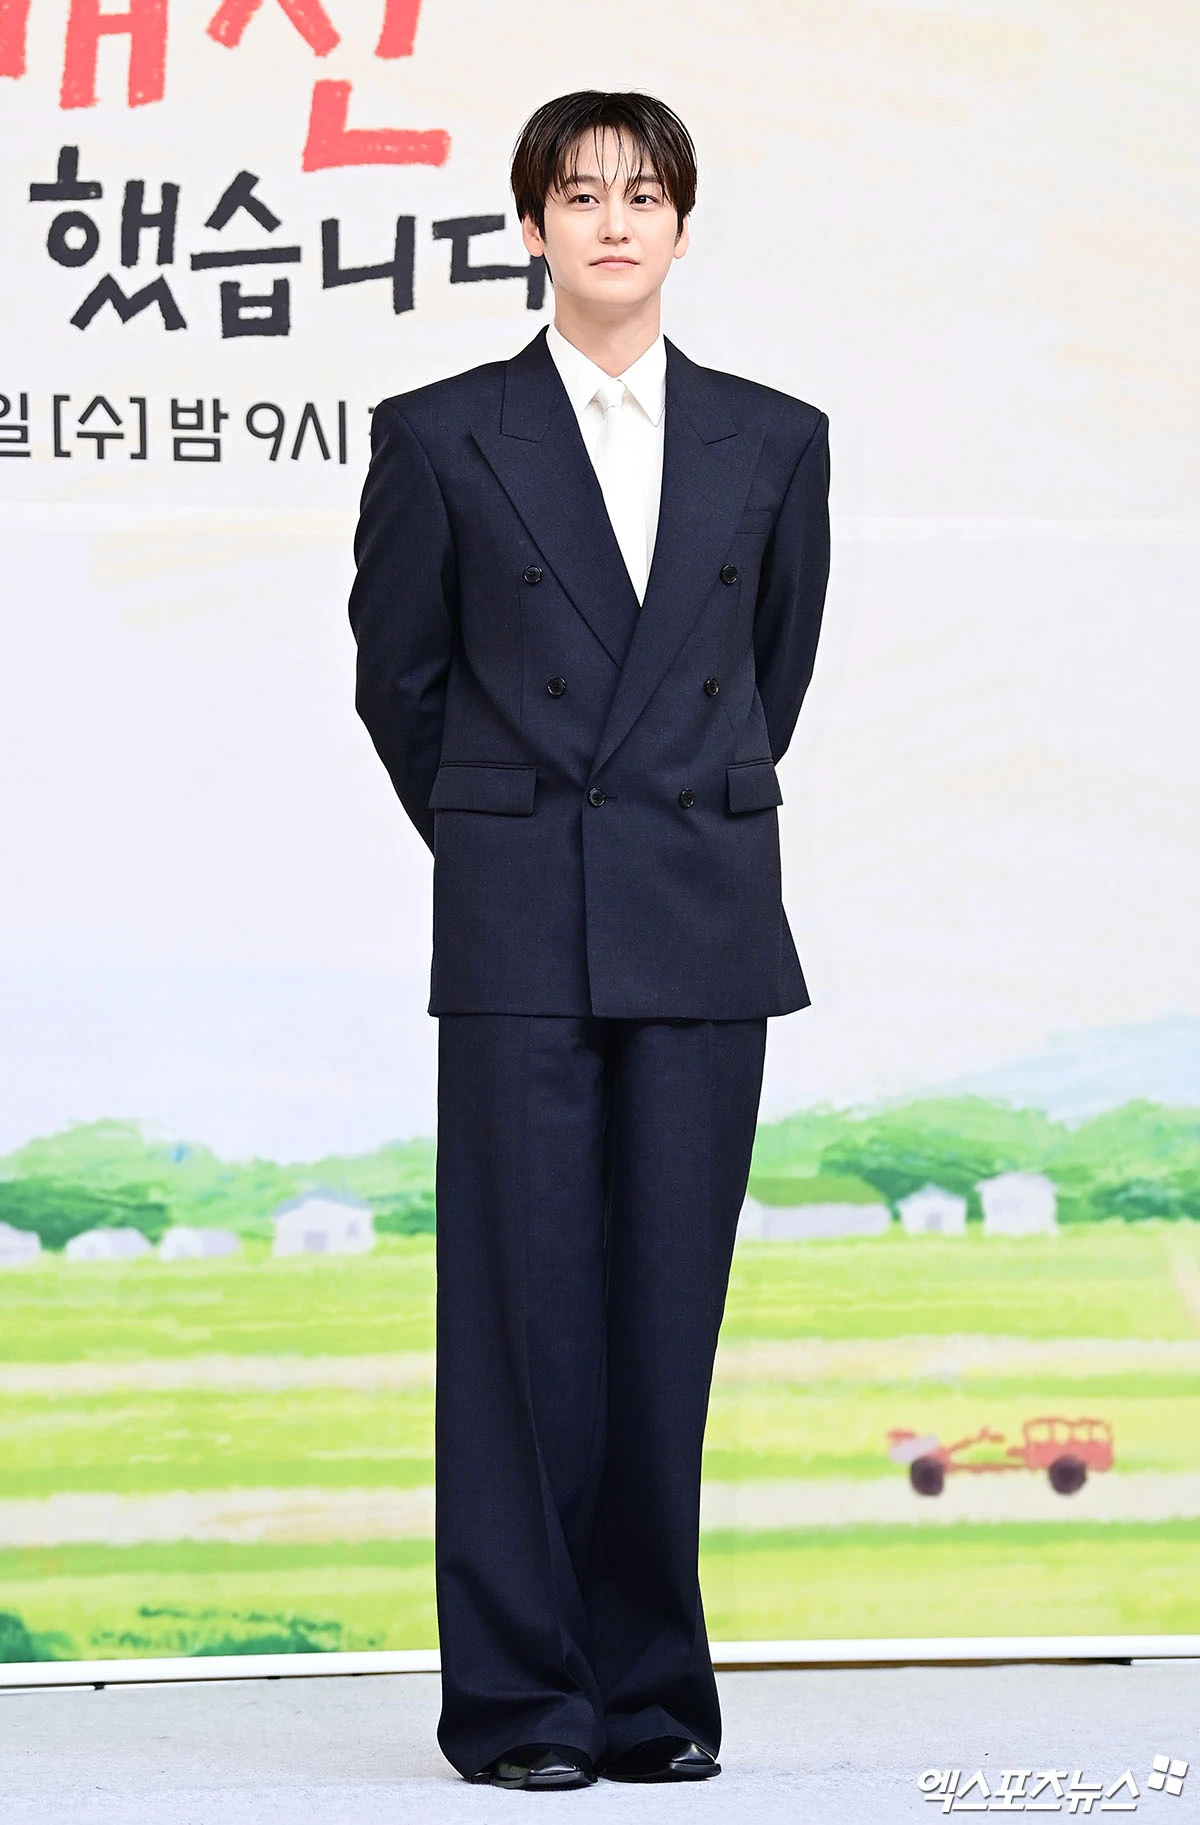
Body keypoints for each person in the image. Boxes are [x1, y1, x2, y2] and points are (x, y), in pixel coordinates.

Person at [348, 88, 831, 1791]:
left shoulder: (775, 438)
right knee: (518, 1325)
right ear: (531, 226)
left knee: (662, 1319)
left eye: (642, 194)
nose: (613, 221)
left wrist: (647, 824)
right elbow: (400, 686)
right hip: (519, 919)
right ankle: (520, 1707)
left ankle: (650, 1696)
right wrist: (517, 835)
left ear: (682, 225)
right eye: (579, 194)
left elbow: (768, 677)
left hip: (700, 910)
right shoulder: (439, 435)